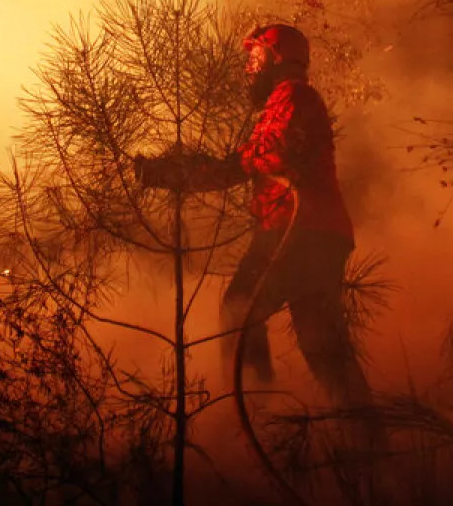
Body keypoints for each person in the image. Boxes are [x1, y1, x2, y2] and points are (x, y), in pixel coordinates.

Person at [133, 23, 371, 407]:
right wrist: (181, 176)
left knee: (239, 309)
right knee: (323, 347)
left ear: (278, 59)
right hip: (314, 231)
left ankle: (258, 412)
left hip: (296, 229)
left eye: (255, 58)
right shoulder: (284, 102)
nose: (248, 68)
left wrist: (196, 170)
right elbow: (251, 162)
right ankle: (364, 435)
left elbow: (268, 156)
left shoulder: (293, 94)